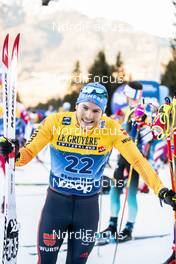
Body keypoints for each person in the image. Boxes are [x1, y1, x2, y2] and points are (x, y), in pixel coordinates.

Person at [0, 82, 175, 264]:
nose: (89, 116)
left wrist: (161, 190)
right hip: (56, 206)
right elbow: (25, 156)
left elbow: (138, 161)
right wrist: (11, 152)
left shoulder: (111, 128)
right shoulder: (55, 122)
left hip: (87, 210)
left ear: (103, 112)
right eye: (85, 108)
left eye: (96, 111)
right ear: (77, 105)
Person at [99, 81, 152, 243]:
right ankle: (112, 226)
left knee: (131, 194)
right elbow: (116, 124)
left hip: (135, 159)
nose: (125, 96)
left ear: (134, 95)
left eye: (128, 93)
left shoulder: (142, 112)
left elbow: (148, 138)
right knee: (115, 190)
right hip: (122, 158)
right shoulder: (127, 110)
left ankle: (128, 228)